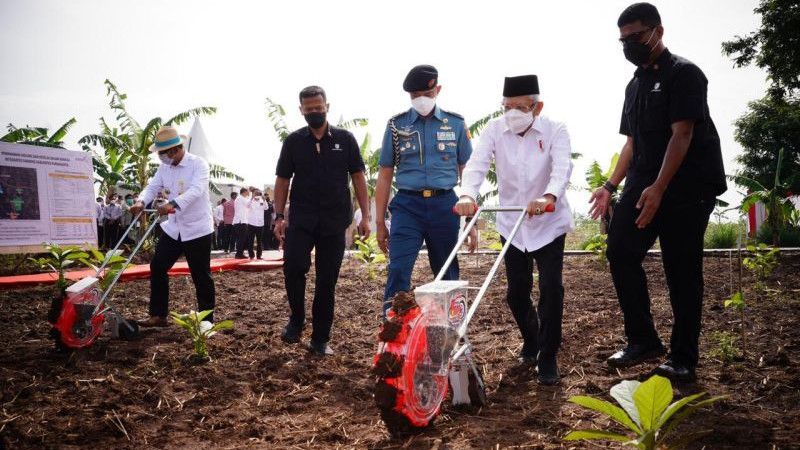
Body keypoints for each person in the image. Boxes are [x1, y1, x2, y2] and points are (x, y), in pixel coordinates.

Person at [589, 3, 726, 382]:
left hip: (687, 186)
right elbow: (632, 142)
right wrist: (609, 186)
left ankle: (683, 357)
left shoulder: (685, 74)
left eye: (636, 36)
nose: (630, 44)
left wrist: (660, 187)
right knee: (620, 250)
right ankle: (643, 340)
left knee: (681, 269)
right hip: (644, 182)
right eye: (623, 39)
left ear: (658, 31)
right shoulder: (633, 85)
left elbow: (682, 134)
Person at [455, 75, 573, 385]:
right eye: (507, 107)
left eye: (520, 107)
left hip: (548, 222)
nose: (513, 113)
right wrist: (468, 195)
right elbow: (477, 164)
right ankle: (532, 339)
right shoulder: (495, 130)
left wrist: (548, 197)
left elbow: (562, 169)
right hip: (512, 222)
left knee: (551, 288)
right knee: (516, 293)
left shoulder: (555, 130)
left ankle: (547, 356)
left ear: (538, 106)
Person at [273, 85, 370, 356]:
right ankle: (296, 319)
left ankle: (320, 338)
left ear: (327, 106)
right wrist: (279, 216)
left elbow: (358, 178)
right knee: (293, 268)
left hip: (334, 221)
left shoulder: (345, 139)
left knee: (327, 281)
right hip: (302, 220)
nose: (314, 112)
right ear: (301, 110)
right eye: (309, 109)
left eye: (319, 107)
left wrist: (366, 215)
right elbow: (282, 180)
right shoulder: (293, 142)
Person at [374, 64, 475, 316]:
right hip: (407, 207)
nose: (421, 100)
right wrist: (379, 222)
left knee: (447, 270)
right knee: (398, 270)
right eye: (415, 95)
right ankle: (393, 335)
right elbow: (385, 174)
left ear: (437, 90)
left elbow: (469, 171)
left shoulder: (456, 124)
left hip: (445, 205)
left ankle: (451, 330)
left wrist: (473, 218)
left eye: (427, 94)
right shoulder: (396, 126)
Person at [130, 125, 216, 327]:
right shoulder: (164, 168)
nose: (161, 157)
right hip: (174, 228)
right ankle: (158, 315)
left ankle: (206, 321)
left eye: (163, 153)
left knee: (200, 274)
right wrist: (141, 201)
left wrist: (173, 204)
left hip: (197, 228)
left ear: (175, 150)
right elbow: (152, 187)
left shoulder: (198, 164)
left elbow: (196, 190)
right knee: (158, 266)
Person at [246, 190, 267, 259]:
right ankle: (251, 255)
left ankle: (259, 256)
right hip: (251, 223)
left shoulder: (262, 200)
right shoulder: (251, 200)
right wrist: (251, 198)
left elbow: (266, 208)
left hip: (260, 224)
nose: (257, 195)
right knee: (250, 240)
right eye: (255, 193)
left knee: (259, 241)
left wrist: (264, 200)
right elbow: (247, 205)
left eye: (258, 193)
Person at [232, 187, 251, 258]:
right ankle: (239, 254)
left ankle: (240, 253)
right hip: (240, 221)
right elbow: (249, 204)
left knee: (243, 238)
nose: (249, 193)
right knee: (241, 238)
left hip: (241, 221)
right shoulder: (240, 198)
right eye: (248, 191)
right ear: (244, 192)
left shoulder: (241, 198)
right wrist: (253, 197)